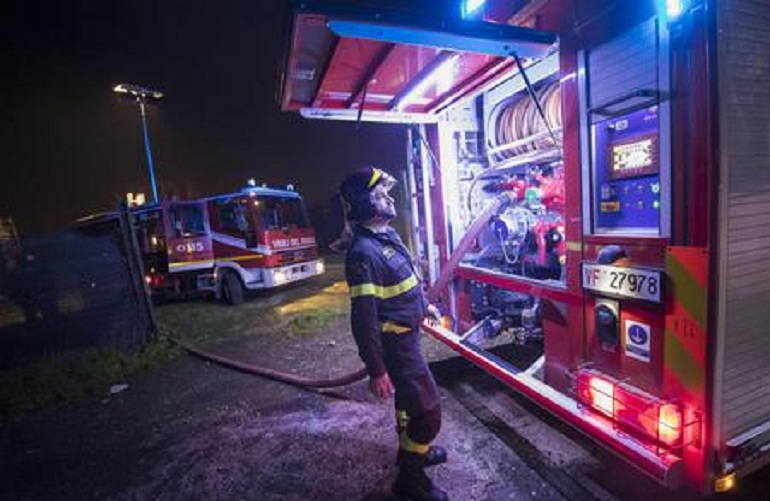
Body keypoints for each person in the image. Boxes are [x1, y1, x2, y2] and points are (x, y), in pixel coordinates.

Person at [339, 166, 449, 501]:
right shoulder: (363, 253)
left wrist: (423, 307)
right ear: (363, 203)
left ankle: (413, 453)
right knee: (428, 413)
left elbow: (403, 284)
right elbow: (364, 317)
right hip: (397, 346)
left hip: (407, 336)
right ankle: (411, 483)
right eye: (380, 194)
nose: (388, 198)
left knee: (407, 404)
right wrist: (376, 369)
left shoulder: (386, 236)